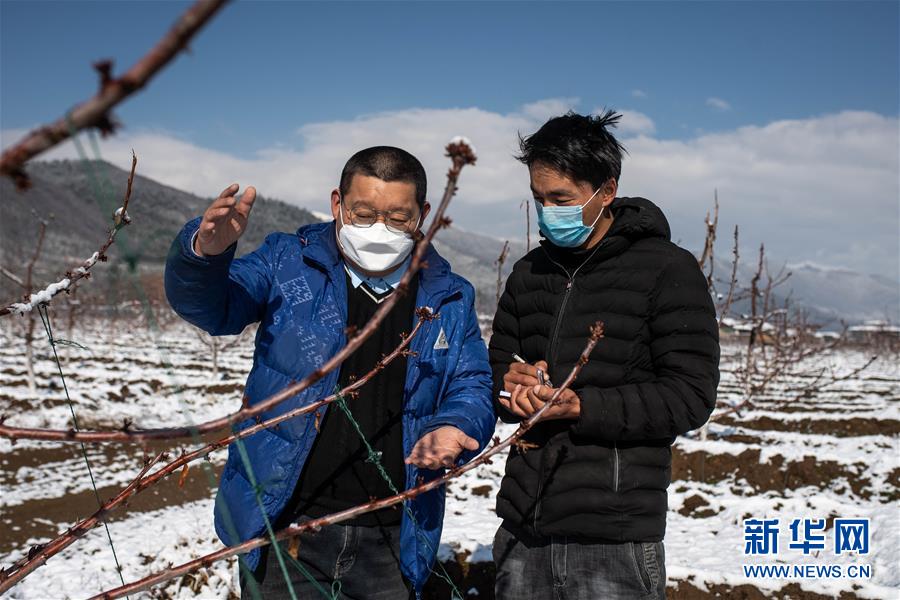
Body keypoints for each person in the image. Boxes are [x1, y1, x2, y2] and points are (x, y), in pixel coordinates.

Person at [164, 146, 495, 599]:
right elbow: (215, 307)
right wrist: (205, 255)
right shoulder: (288, 263)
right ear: (338, 204)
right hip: (288, 528)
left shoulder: (448, 295)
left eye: (398, 218)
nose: (380, 229)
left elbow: (471, 382)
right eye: (363, 213)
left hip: (393, 532)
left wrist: (455, 423)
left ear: (422, 215)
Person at [489, 111, 720, 599]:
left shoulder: (666, 270)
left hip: (615, 534)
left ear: (607, 191)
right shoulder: (529, 273)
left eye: (562, 199)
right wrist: (512, 387)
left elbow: (690, 395)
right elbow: (497, 367)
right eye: (538, 199)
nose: (549, 211)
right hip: (524, 525)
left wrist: (583, 407)